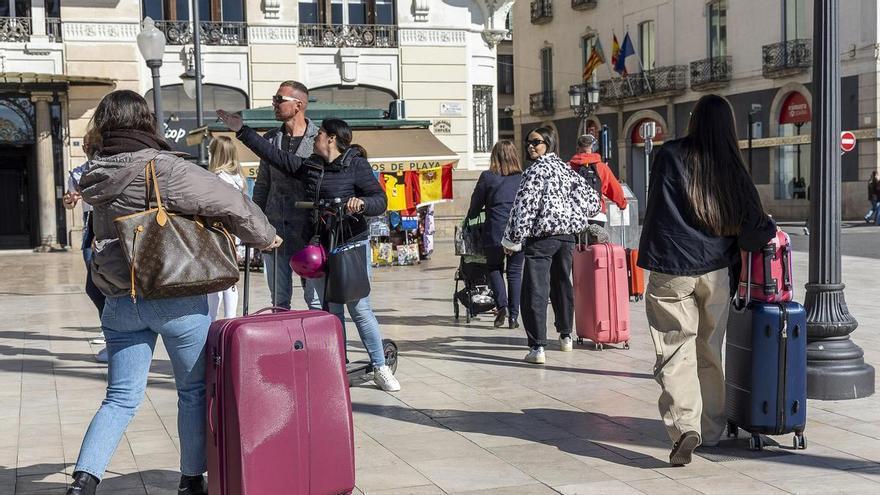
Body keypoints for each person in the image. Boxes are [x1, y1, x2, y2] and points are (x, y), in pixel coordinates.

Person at [67, 90, 279, 495]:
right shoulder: (164, 168)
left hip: (120, 298)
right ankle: (189, 480)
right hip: (176, 295)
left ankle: (83, 480)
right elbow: (231, 203)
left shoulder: (97, 172)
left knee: (120, 399)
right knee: (193, 392)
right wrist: (266, 237)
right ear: (145, 120)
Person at [218, 110, 402, 392]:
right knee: (330, 309)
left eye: (319, 135)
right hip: (320, 245)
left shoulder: (356, 165)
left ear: (331, 139)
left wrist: (361, 204)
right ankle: (338, 363)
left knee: (359, 307)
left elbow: (380, 200)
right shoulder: (312, 166)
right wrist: (242, 131)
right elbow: (275, 156)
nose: (315, 137)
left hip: (351, 244)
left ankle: (380, 366)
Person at [637, 94, 776, 466]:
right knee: (710, 352)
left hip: (672, 267)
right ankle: (711, 432)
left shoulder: (668, 155)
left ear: (694, 121)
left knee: (674, 350)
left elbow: (658, 209)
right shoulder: (732, 164)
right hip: (716, 272)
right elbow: (753, 230)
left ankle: (686, 427)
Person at [501, 127, 600, 364]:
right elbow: (593, 201)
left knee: (535, 290)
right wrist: (571, 214)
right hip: (566, 237)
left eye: (536, 142)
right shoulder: (566, 170)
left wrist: (513, 239)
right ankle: (565, 336)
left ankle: (538, 347)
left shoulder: (535, 171)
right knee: (561, 284)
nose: (530, 146)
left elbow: (524, 208)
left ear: (549, 143)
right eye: (528, 142)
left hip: (542, 238)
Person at [252, 80, 319, 309]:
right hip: (276, 229)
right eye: (275, 98)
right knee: (279, 300)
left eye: (279, 99)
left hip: (310, 232)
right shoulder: (270, 140)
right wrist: (256, 224)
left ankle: (317, 343)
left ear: (298, 105)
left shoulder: (319, 138)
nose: (274, 103)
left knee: (315, 300)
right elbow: (262, 185)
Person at [466, 140, 524, 329]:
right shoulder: (522, 178)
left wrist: (472, 216)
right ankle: (514, 317)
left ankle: (502, 306)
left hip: (495, 230)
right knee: (515, 273)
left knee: (494, 268)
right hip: (517, 230)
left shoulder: (488, 177)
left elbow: (475, 205)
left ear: (494, 156)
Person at [62, 133, 108, 362]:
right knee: (95, 286)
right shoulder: (78, 172)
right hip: (90, 225)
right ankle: (108, 329)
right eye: (91, 146)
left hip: (105, 225)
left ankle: (113, 334)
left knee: (102, 286)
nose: (92, 149)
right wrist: (70, 199)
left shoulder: (108, 168)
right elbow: (69, 203)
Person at [206, 136, 246, 320]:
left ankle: (213, 321)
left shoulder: (218, 179)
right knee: (228, 281)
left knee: (215, 283)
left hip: (218, 233)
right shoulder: (238, 178)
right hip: (232, 234)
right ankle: (229, 319)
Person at [569, 133, 628, 227]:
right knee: (596, 241)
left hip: (573, 215)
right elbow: (615, 189)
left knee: (577, 241)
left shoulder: (568, 167)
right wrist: (622, 204)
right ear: (594, 148)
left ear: (577, 148)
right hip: (597, 215)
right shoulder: (602, 168)